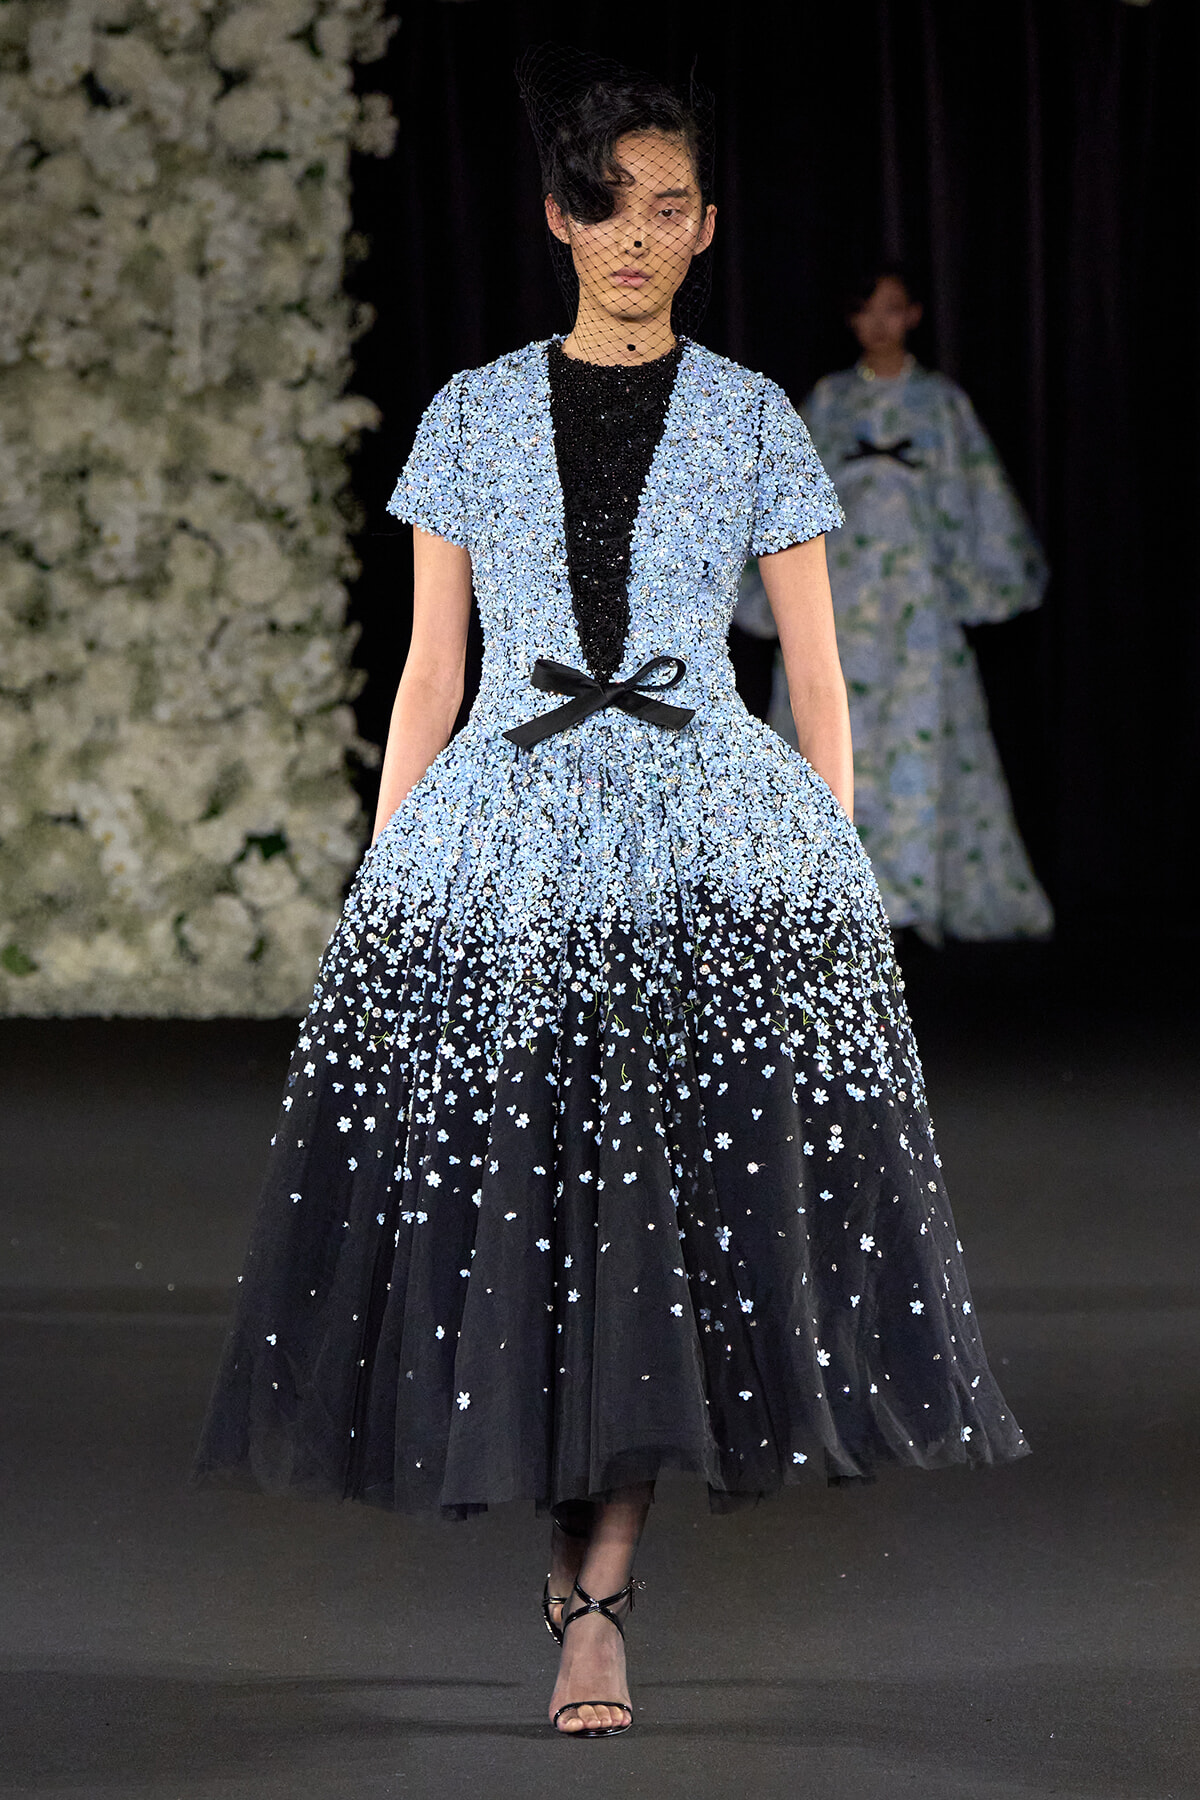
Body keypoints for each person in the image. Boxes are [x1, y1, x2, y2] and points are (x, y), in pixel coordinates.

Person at [195, 62, 1028, 1741]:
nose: (638, 237)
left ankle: (597, 1609)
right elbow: (432, 672)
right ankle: (574, 1587)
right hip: (503, 841)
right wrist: (392, 869)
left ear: (706, 228)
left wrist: (831, 873)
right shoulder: (467, 413)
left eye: (671, 209)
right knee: (524, 1221)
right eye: (610, 205)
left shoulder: (752, 422)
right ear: (557, 217)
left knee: (658, 1224)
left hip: (704, 837)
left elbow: (817, 669)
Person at [735, 266, 1053, 943]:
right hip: (839, 603)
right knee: (830, 731)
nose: (879, 324)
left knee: (917, 734)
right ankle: (828, 899)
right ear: (851, 320)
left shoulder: (940, 404)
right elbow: (786, 499)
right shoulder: (828, 401)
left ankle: (910, 902)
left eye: (892, 310)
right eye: (866, 311)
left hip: (916, 604)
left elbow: (974, 495)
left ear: (913, 315)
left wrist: (979, 574)